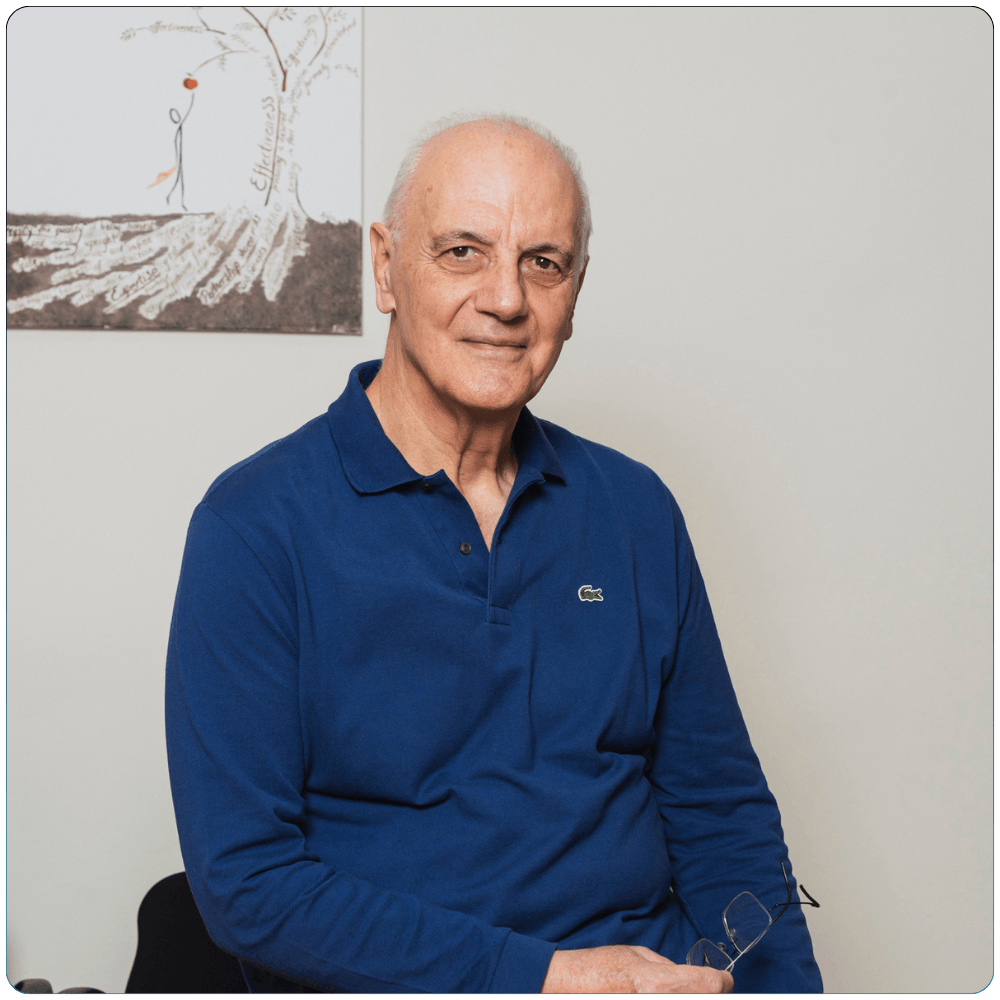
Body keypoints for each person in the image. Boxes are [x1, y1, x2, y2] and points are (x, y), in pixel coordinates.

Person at [165, 112, 823, 994]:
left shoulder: (635, 511)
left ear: (575, 292)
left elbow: (723, 816)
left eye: (543, 262)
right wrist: (547, 978)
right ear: (385, 266)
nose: (507, 299)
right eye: (462, 252)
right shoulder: (253, 527)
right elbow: (249, 886)